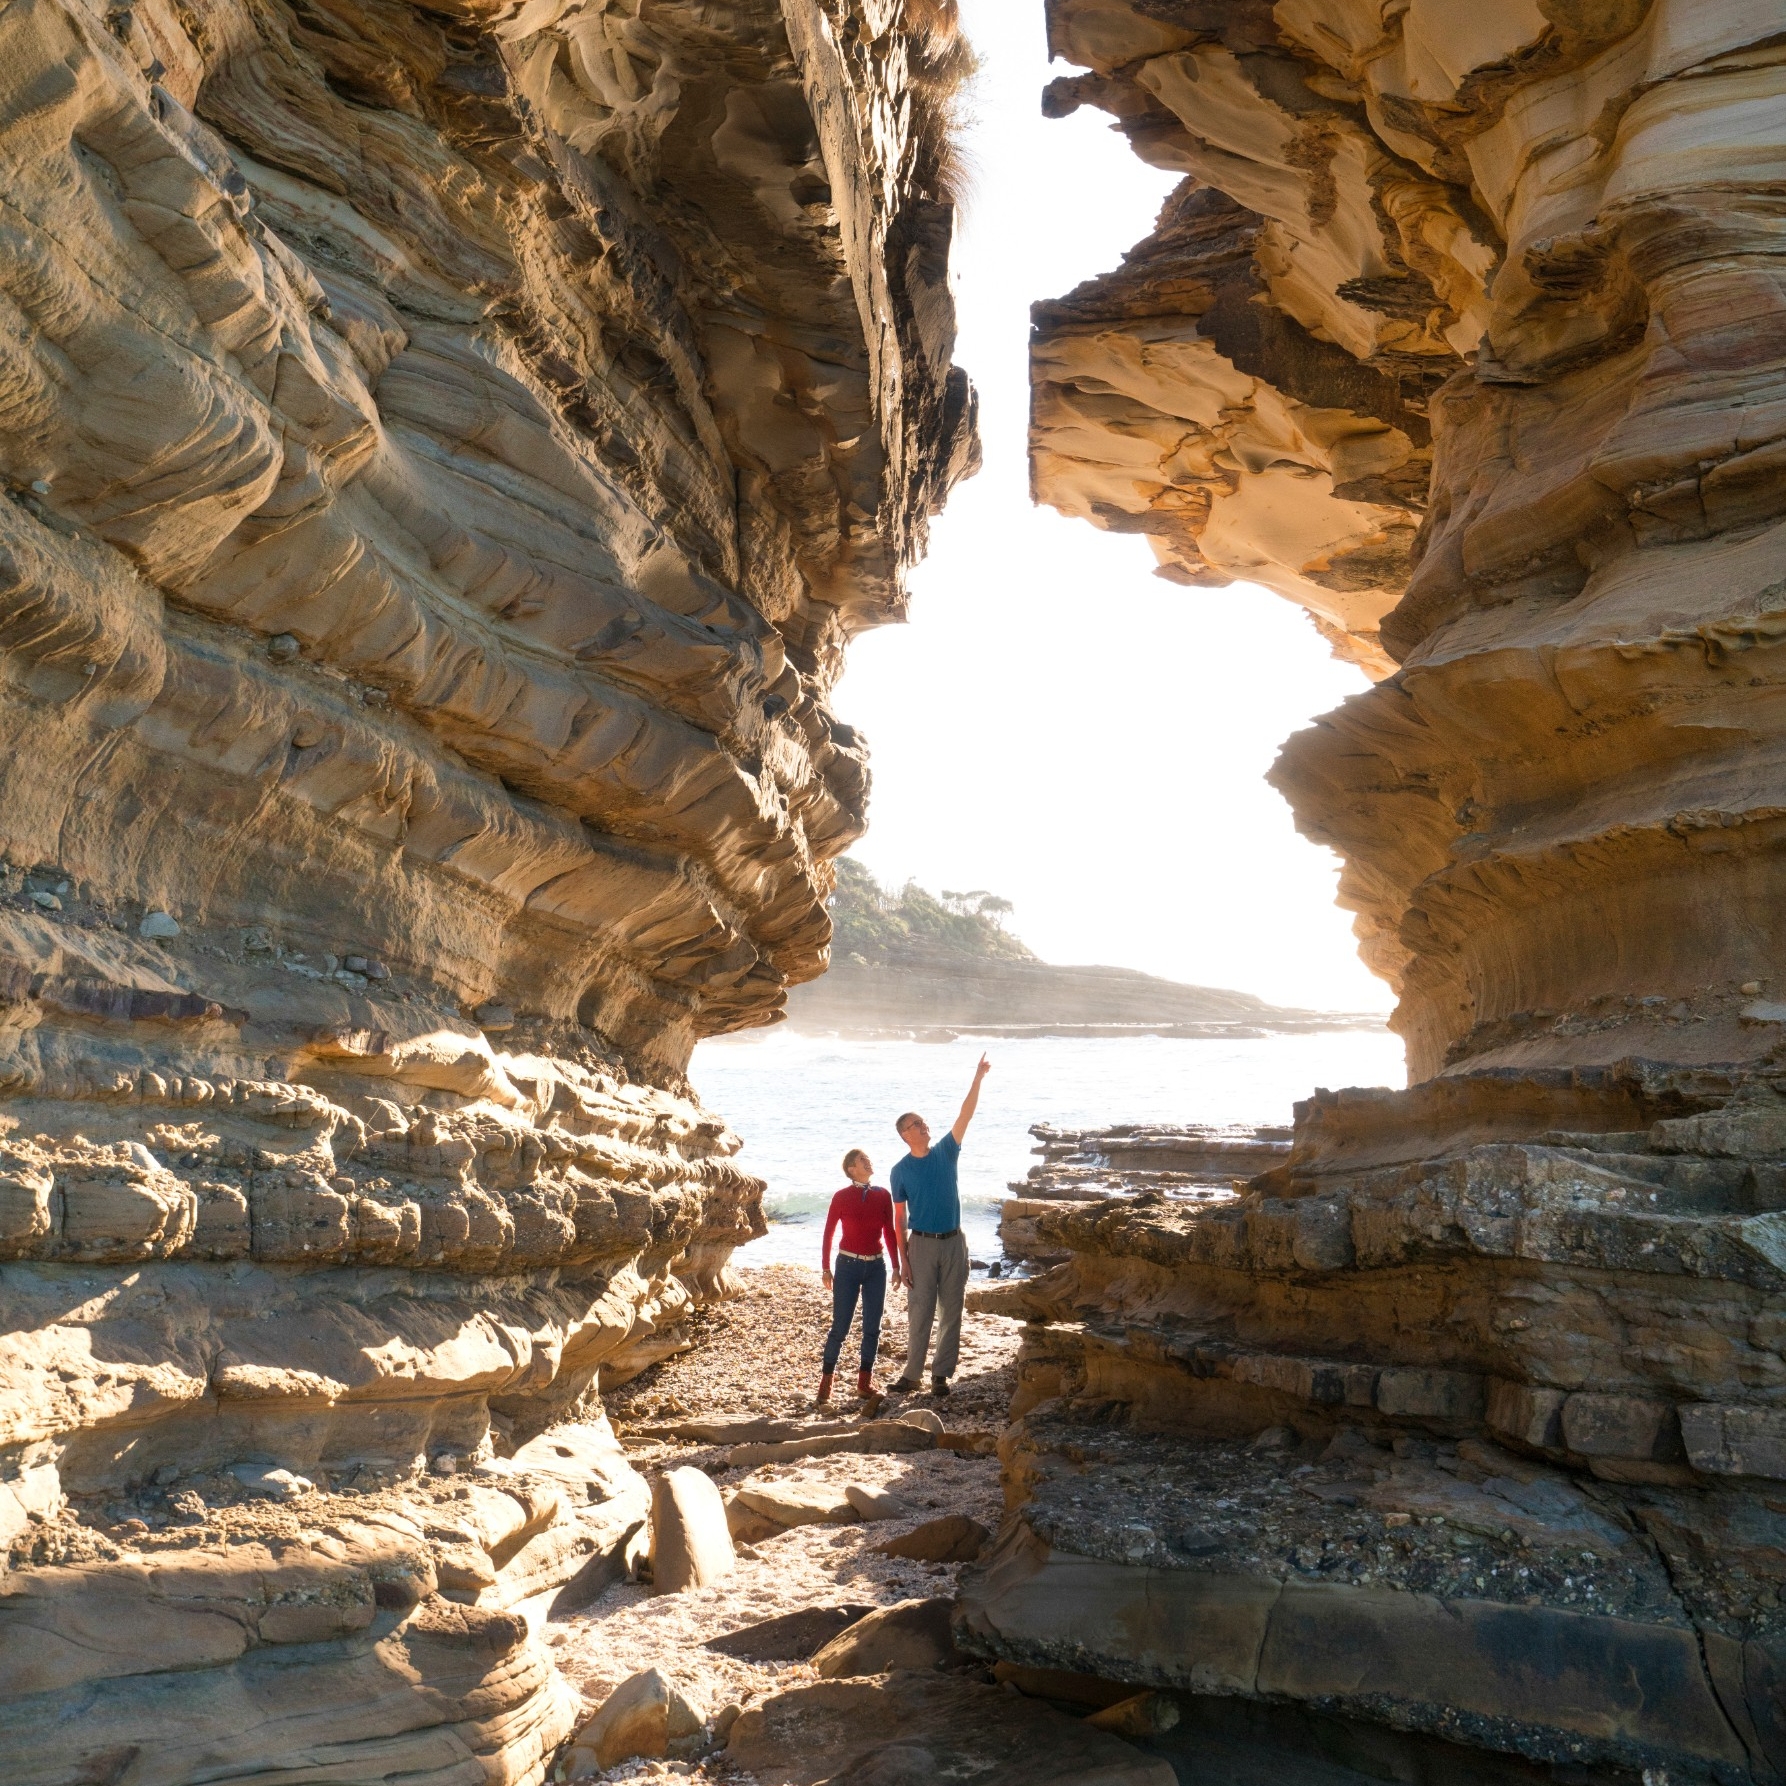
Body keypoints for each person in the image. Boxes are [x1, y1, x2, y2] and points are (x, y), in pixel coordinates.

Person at [889, 1054, 990, 1398]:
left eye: (924, 1122)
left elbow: (965, 1114)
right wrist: (901, 1259)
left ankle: (941, 1375)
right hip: (920, 1245)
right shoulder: (900, 1170)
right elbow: (899, 1217)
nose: (924, 1126)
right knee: (920, 1309)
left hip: (954, 1242)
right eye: (916, 1124)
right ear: (905, 1134)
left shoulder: (947, 1151)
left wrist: (977, 1079)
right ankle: (911, 1375)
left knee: (952, 1309)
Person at [817, 1148, 902, 1403]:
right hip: (847, 1266)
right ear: (851, 1169)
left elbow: (889, 1233)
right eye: (862, 1160)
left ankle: (864, 1383)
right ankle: (825, 1382)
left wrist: (897, 1266)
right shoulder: (841, 1197)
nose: (868, 1161)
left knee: (872, 1328)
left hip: (876, 1267)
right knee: (840, 1326)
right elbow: (829, 1232)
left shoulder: (883, 1195)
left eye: (868, 1158)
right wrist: (825, 1268)